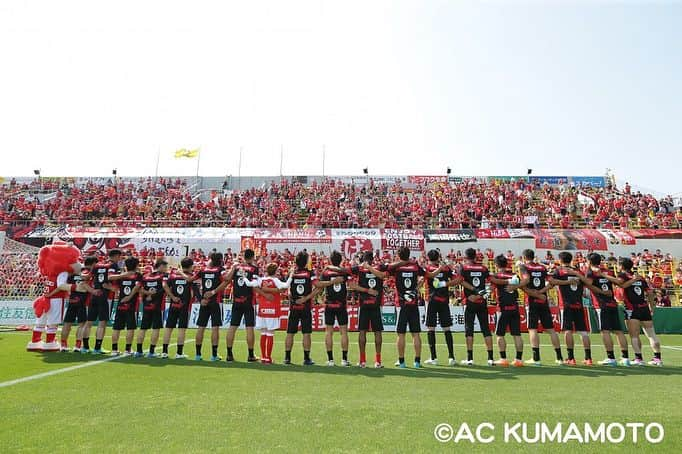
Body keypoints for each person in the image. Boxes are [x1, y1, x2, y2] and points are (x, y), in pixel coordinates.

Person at [283, 251, 343, 365]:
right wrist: (306, 298)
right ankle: (306, 358)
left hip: (294, 307)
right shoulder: (309, 273)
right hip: (305, 307)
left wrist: (293, 297)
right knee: (306, 333)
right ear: (306, 261)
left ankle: (287, 358)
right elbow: (318, 286)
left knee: (290, 333)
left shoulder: (291, 273)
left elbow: (288, 289)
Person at [512, 249, 564, 366]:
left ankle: (536, 359)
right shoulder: (542, 268)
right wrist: (541, 292)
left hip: (531, 301)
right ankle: (559, 358)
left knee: (533, 329)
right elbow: (551, 282)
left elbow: (526, 280)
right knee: (551, 329)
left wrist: (516, 286)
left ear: (524, 258)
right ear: (533, 256)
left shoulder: (524, 267)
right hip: (543, 300)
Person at [213, 249, 265, 362]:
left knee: (232, 327)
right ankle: (251, 355)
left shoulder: (236, 268)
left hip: (236, 301)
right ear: (252, 257)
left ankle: (229, 354)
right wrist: (264, 294)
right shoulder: (254, 269)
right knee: (249, 328)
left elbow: (226, 279)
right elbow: (255, 285)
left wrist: (233, 268)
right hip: (248, 301)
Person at [610, 258, 662, 366]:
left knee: (634, 335)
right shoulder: (640, 277)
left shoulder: (622, 276)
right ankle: (657, 358)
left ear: (621, 266)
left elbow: (621, 285)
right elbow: (650, 292)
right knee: (651, 334)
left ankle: (639, 358)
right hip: (644, 308)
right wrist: (651, 306)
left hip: (631, 308)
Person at [583, 253, 630, 366]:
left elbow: (588, 284)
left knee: (605, 331)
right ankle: (625, 358)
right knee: (619, 331)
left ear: (589, 261)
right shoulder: (608, 271)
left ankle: (611, 358)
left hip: (601, 304)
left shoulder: (591, 272)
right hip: (612, 303)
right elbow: (617, 282)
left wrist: (600, 291)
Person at [548, 252, 592, 366]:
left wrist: (565, 282)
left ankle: (571, 358)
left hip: (566, 304)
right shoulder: (578, 271)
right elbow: (588, 283)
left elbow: (552, 281)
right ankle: (588, 358)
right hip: (579, 304)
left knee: (567, 330)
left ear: (560, 260)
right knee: (583, 332)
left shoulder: (560, 270)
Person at [244, 263, 293, 364]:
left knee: (263, 333)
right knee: (270, 333)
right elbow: (285, 286)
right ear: (275, 271)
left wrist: (244, 277)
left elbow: (249, 284)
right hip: (273, 309)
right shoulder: (275, 280)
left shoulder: (261, 280)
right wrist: (291, 276)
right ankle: (268, 357)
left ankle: (263, 356)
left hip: (262, 309)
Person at [347, 250, 388, 368]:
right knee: (377, 332)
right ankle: (378, 361)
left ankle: (362, 361)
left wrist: (367, 267)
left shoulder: (360, 268)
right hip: (375, 305)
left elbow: (351, 283)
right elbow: (383, 275)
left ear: (364, 259)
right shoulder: (379, 267)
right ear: (373, 258)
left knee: (362, 331)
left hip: (364, 305)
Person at [83, 249, 124, 354]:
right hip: (106, 297)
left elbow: (86, 278)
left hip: (94, 295)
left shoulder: (98, 265)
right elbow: (113, 280)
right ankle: (97, 348)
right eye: (120, 257)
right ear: (116, 256)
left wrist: (92, 290)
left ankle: (85, 347)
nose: (120, 259)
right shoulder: (113, 266)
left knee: (89, 322)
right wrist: (111, 287)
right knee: (102, 323)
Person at [423, 249, 458, 366]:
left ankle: (434, 358)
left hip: (432, 301)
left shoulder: (428, 268)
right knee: (447, 329)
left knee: (431, 328)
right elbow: (458, 279)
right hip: (444, 301)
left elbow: (425, 277)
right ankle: (451, 357)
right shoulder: (446, 268)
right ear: (438, 257)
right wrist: (445, 284)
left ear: (428, 258)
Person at [320, 250, 352, 367]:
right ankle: (344, 360)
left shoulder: (326, 272)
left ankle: (330, 360)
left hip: (329, 304)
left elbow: (320, 285)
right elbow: (351, 280)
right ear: (341, 260)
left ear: (330, 260)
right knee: (344, 332)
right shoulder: (343, 272)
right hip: (341, 305)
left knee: (329, 332)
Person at [490, 255, 524, 367]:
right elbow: (521, 285)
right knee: (517, 334)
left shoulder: (497, 276)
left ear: (496, 265)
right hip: (515, 307)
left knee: (500, 334)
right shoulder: (514, 275)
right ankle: (518, 360)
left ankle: (503, 359)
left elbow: (491, 288)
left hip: (503, 309)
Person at [60, 256, 99, 352]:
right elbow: (83, 282)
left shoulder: (73, 273)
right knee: (82, 324)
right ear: (93, 263)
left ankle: (63, 345)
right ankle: (77, 346)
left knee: (67, 323)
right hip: (82, 300)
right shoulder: (87, 272)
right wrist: (93, 291)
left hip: (72, 299)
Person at [192, 252, 226, 361]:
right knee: (215, 328)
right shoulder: (220, 270)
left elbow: (192, 282)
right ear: (220, 259)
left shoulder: (203, 270)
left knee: (201, 327)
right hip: (215, 301)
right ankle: (214, 355)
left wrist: (200, 298)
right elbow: (226, 281)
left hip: (204, 302)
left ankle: (198, 355)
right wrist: (213, 292)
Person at [161, 257, 194, 359]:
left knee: (168, 328)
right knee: (181, 329)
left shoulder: (173, 276)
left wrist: (172, 296)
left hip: (173, 305)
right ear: (190, 266)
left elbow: (164, 285)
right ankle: (179, 353)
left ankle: (164, 352)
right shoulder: (190, 276)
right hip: (184, 306)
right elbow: (192, 293)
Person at [134, 259, 168, 358]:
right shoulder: (162, 277)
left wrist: (147, 294)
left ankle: (139, 351)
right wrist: (153, 294)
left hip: (146, 306)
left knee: (143, 328)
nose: (166, 269)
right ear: (160, 266)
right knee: (156, 329)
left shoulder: (145, 276)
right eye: (165, 266)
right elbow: (164, 288)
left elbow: (138, 288)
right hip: (157, 306)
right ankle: (151, 352)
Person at [111, 257, 143, 356]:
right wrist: (129, 297)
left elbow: (112, 282)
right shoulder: (138, 275)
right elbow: (137, 287)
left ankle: (114, 350)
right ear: (136, 265)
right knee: (130, 328)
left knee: (117, 328)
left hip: (120, 303)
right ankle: (127, 350)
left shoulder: (121, 276)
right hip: (131, 305)